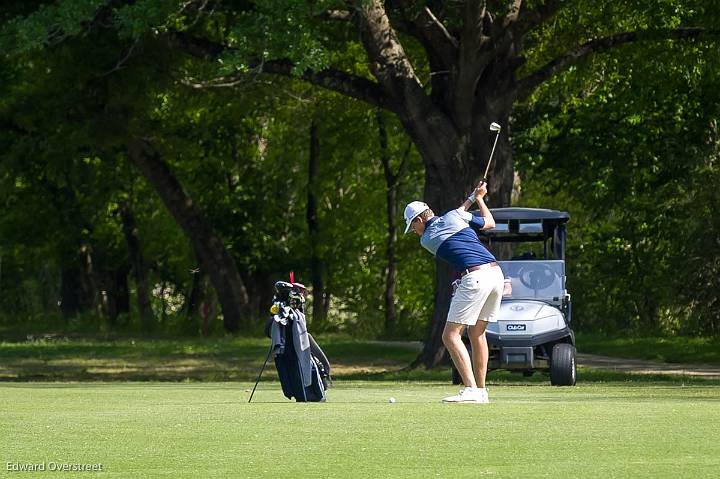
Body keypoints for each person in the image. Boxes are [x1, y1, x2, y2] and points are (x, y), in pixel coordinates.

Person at [404, 182, 504, 403]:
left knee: (450, 335)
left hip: (475, 277)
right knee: (477, 334)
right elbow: (490, 223)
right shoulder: (453, 216)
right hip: (496, 274)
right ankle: (481, 390)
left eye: (412, 226)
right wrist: (478, 198)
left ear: (419, 220)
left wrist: (471, 198)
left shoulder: (426, 240)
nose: (413, 231)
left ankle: (471, 389)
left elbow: (460, 212)